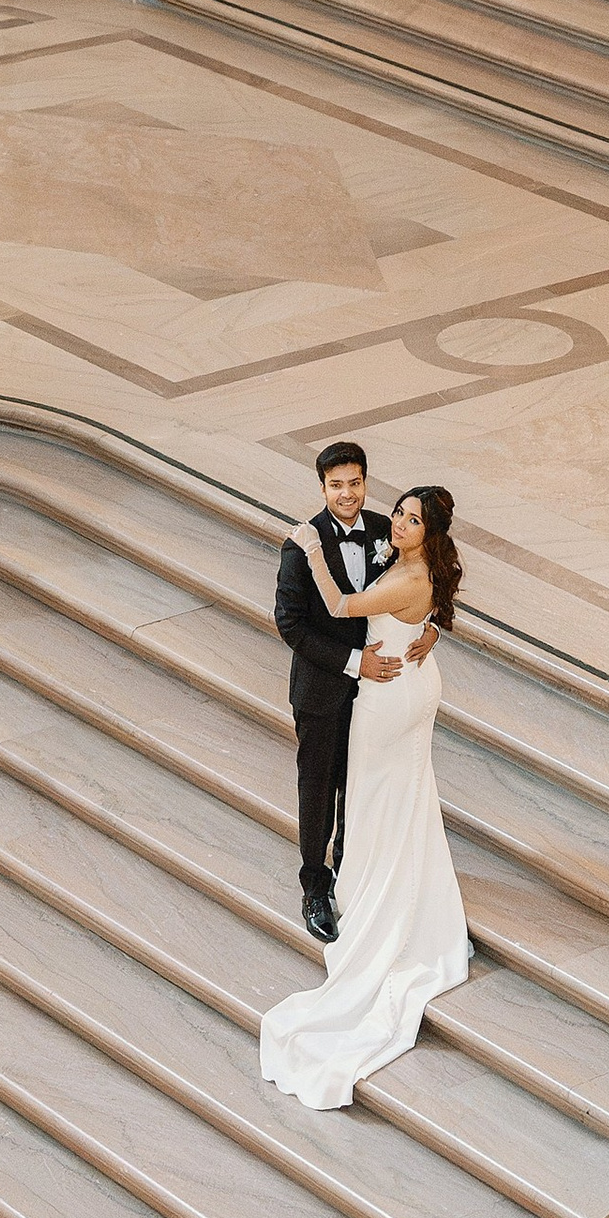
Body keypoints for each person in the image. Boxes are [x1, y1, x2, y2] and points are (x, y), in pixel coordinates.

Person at [260, 486, 471, 1113]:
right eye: (398, 513)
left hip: (389, 694)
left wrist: (310, 548)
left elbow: (341, 601)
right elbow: (297, 621)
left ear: (425, 530)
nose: (396, 522)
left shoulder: (404, 564)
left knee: (379, 794)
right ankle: (353, 880)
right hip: (383, 682)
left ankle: (379, 893)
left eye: (410, 518)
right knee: (388, 792)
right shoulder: (411, 552)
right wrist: (428, 627)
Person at [274, 441, 392, 945]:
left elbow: (418, 583)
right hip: (323, 689)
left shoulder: (388, 532)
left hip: (379, 691)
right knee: (318, 787)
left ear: (366, 482)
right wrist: (351, 663)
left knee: (363, 780)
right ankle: (315, 885)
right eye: (337, 485)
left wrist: (430, 628)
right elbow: (290, 624)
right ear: (322, 488)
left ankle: (352, 868)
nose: (348, 493)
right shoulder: (302, 544)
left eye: (355, 482)